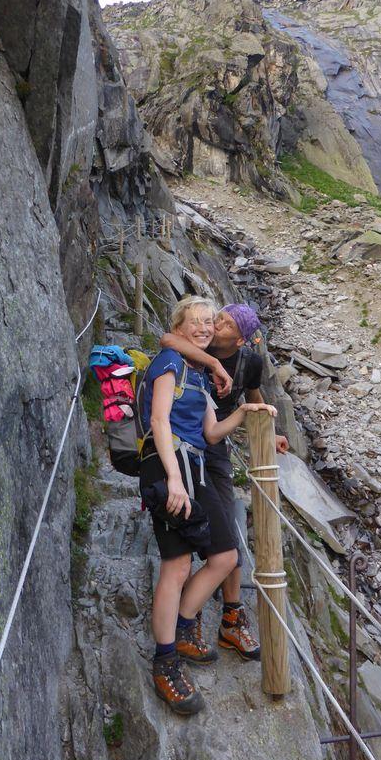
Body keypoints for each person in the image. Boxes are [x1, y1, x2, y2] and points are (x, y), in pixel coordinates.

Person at [139, 296, 277, 715]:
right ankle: (166, 659)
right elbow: (160, 421)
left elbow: (213, 433)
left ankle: (181, 628)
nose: (203, 326)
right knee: (178, 565)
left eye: (208, 321)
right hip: (169, 469)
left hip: (193, 466)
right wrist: (174, 479)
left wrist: (250, 412)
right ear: (179, 327)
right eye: (195, 321)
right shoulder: (169, 362)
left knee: (225, 556)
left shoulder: (197, 376)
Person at [161, 302, 288, 661]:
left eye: (226, 323)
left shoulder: (250, 362)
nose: (216, 324)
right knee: (205, 532)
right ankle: (197, 616)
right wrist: (215, 364)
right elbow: (168, 340)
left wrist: (270, 431)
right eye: (219, 317)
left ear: (241, 338)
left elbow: (252, 394)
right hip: (187, 442)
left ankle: (230, 616)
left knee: (228, 531)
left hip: (214, 444)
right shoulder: (200, 343)